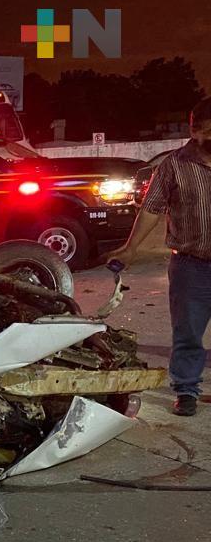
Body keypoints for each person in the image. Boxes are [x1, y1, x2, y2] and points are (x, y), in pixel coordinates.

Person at [108, 97, 211, 416]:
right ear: (194, 131)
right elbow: (152, 209)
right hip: (191, 266)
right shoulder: (174, 165)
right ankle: (186, 389)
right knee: (188, 332)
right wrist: (131, 248)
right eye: (207, 131)